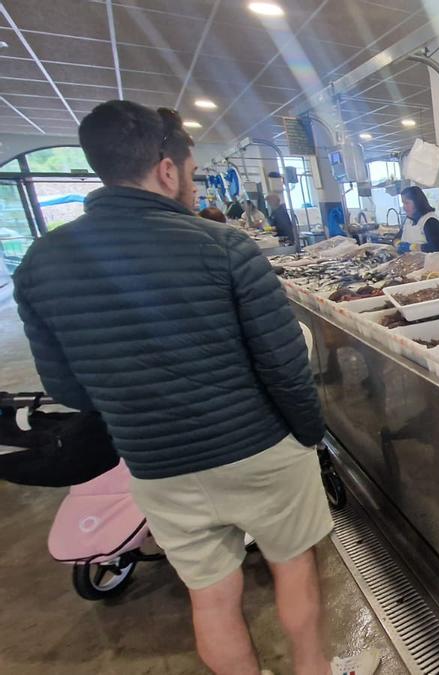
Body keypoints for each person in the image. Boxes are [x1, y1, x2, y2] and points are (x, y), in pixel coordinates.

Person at [12, 100, 335, 675]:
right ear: (167, 169)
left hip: (158, 464)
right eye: (190, 174)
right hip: (258, 448)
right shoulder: (225, 247)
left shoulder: (39, 263)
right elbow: (284, 364)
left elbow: (68, 387)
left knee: (210, 595)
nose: (191, 187)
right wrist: (307, 434)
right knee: (294, 567)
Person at [398, 185, 439, 254]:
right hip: (414, 262)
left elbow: (437, 247)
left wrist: (412, 247)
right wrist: (398, 244)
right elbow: (397, 237)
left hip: (434, 263)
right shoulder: (409, 220)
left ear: (417, 203)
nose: (404, 207)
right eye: (403, 203)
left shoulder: (430, 221)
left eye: (407, 203)